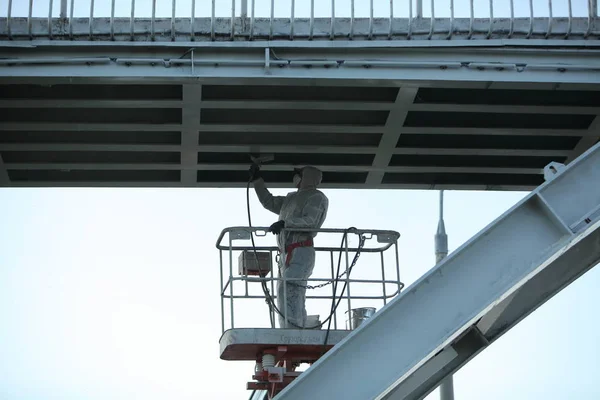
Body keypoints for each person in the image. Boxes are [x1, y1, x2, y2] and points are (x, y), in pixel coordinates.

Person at [249, 165, 329, 329]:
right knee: (284, 291)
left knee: (291, 290)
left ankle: (293, 329)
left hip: (301, 250)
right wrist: (257, 180)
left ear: (307, 176)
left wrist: (285, 223)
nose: (295, 177)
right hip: (286, 253)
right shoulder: (291, 198)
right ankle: (291, 327)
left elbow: (310, 221)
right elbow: (268, 201)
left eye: (298, 174)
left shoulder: (317, 197)